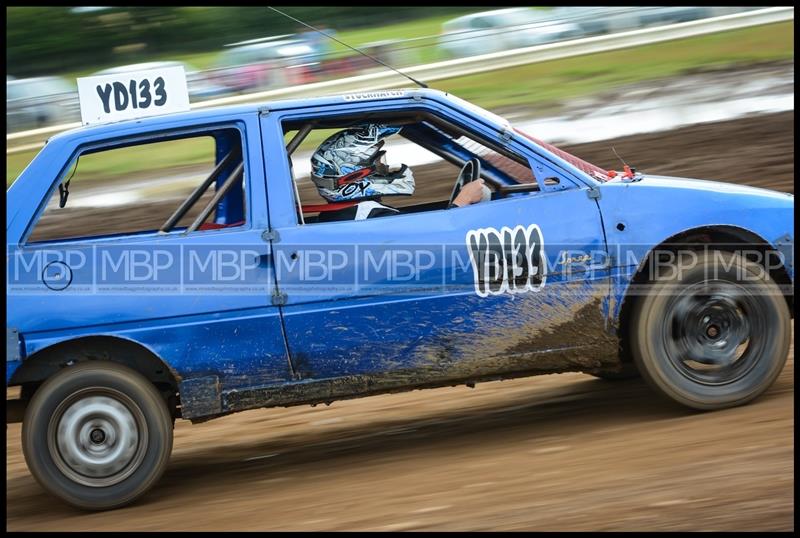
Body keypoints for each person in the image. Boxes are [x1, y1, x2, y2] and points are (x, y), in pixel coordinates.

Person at [310, 124, 488, 222]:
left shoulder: (333, 216)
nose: (385, 169)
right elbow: (432, 242)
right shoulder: (371, 217)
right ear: (352, 177)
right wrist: (462, 200)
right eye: (378, 165)